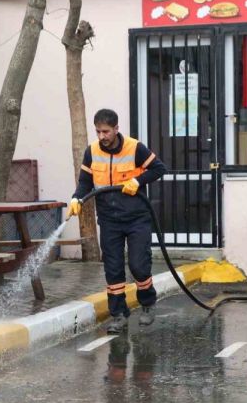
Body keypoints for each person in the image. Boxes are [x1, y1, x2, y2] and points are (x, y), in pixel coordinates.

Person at [67, 109, 166, 334]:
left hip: (136, 218)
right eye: (98, 132)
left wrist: (137, 181)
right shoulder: (92, 152)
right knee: (113, 269)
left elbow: (159, 169)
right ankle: (119, 315)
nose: (102, 136)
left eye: (106, 131)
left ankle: (148, 303)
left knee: (139, 265)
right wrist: (76, 198)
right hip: (109, 219)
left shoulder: (135, 148)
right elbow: (85, 182)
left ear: (116, 129)